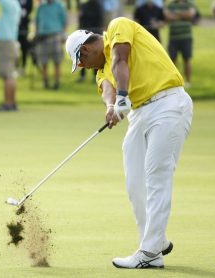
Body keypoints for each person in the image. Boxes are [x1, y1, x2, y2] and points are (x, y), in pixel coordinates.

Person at [65, 17, 193, 268]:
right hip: (140, 114)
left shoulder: (118, 26)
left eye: (82, 62)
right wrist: (113, 105)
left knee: (157, 175)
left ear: (87, 49)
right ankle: (156, 244)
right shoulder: (101, 69)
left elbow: (120, 59)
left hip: (168, 103)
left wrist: (123, 95)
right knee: (134, 180)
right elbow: (106, 88)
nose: (85, 67)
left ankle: (148, 250)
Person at [0, 0, 21, 111]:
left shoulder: (9, 3)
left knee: (7, 75)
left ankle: (8, 103)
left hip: (7, 42)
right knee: (10, 74)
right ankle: (11, 103)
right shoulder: (15, 4)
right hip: (11, 41)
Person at [35, 0, 67, 90]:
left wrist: (63, 35)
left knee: (57, 62)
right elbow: (37, 21)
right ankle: (45, 82)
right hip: (42, 37)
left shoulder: (59, 5)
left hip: (55, 36)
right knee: (44, 62)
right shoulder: (41, 6)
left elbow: (64, 21)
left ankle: (57, 82)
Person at [164, 0, 196, 88]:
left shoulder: (189, 3)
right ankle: (176, 82)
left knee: (187, 59)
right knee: (173, 60)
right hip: (173, 38)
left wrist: (175, 14)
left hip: (186, 37)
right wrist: (184, 15)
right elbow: (168, 17)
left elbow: (191, 15)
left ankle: (188, 82)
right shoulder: (171, 5)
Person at [77, 0, 104, 82]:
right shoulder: (86, 6)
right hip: (85, 34)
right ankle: (83, 75)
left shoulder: (97, 6)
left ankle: (95, 75)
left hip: (93, 34)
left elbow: (99, 20)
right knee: (83, 55)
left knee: (92, 55)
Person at [17, 0, 33, 74]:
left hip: (24, 27)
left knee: (24, 48)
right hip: (15, 28)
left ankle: (23, 66)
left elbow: (29, 10)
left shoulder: (29, 1)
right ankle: (16, 66)